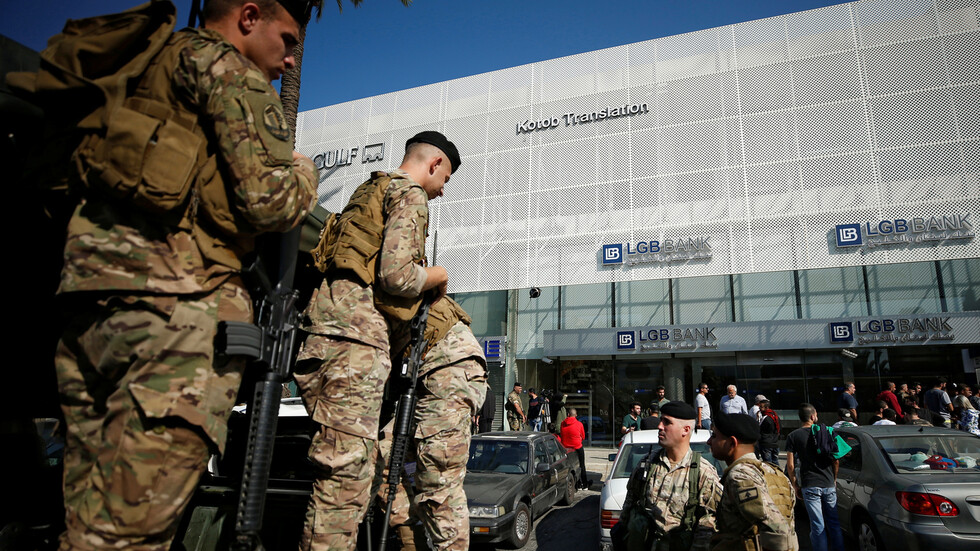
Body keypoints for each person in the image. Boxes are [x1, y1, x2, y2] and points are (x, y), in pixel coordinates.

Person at [50, 1, 318, 548]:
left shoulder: (143, 69)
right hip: (177, 314)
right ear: (248, 17)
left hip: (94, 306)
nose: (290, 61)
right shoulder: (228, 69)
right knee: (132, 530)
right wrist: (304, 170)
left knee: (86, 520)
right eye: (286, 40)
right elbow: (269, 202)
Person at [294, 130, 458, 550]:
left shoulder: (366, 194)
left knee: (343, 469)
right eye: (446, 180)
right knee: (346, 480)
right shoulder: (410, 194)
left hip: (325, 336)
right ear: (434, 164)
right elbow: (398, 276)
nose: (441, 193)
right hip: (356, 344)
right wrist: (438, 276)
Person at [386, 296, 488, 551]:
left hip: (443, 364)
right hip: (419, 370)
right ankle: (412, 540)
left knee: (438, 485)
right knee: (382, 457)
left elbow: (436, 277)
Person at [618, 402, 722, 551]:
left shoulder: (703, 473)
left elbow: (709, 528)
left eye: (667, 422)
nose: (660, 426)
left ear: (685, 430)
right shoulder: (647, 464)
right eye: (661, 420)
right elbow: (629, 507)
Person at [708, 413, 798, 551]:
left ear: (732, 443)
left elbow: (779, 531)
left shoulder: (740, 476)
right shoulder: (774, 473)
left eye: (714, 436)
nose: (709, 441)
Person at [786, 404, 845, 551]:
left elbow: (790, 466)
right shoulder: (827, 432)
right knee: (834, 522)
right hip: (828, 482)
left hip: (809, 484)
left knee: (817, 524)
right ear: (813, 416)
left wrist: (795, 484)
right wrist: (834, 479)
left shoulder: (793, 436)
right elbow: (836, 460)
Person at [560, 408, 589, 489]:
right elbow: (583, 436)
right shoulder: (579, 424)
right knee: (581, 465)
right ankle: (584, 484)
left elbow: (562, 434)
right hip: (577, 446)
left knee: (570, 466)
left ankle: (576, 483)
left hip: (566, 448)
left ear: (568, 415)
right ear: (575, 415)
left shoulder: (563, 423)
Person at [757, 400, 780, 465]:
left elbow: (760, 430)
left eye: (761, 407)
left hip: (766, 444)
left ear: (766, 408)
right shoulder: (775, 416)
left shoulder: (765, 418)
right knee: (775, 464)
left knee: (768, 465)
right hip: (775, 443)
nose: (760, 409)